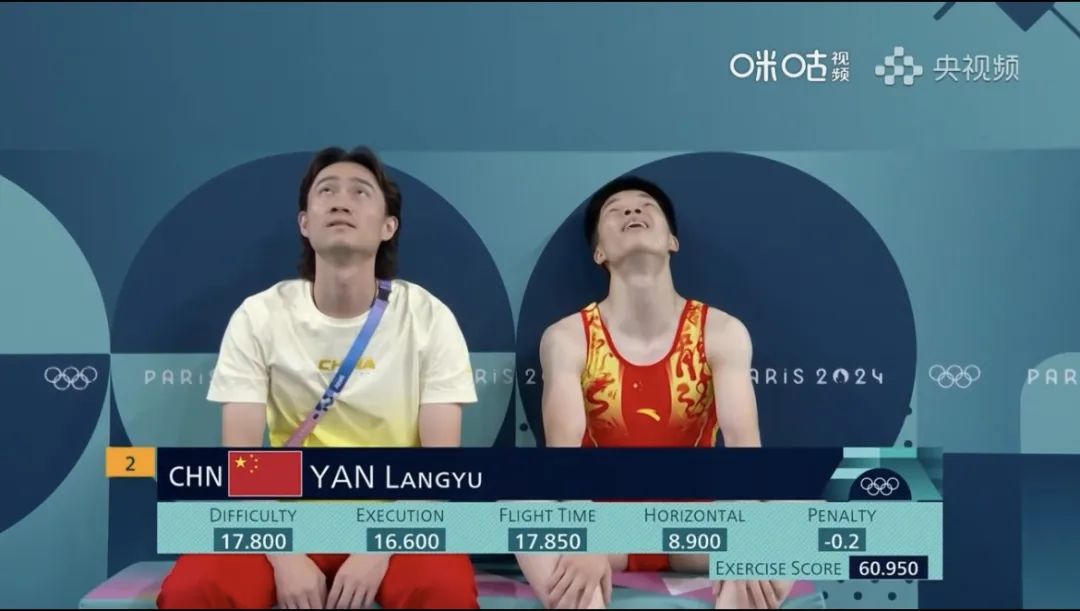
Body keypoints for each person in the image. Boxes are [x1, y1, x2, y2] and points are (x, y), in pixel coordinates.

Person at [157, 146, 480, 609]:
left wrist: (378, 548)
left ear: (388, 227)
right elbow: (242, 463)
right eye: (326, 191)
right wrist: (284, 554)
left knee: (442, 591)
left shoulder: (428, 317)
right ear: (305, 223)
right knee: (195, 590)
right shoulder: (260, 315)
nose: (341, 201)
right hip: (282, 518)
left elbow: (439, 470)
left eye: (360, 192)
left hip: (397, 519)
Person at [516, 176, 793, 609]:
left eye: (646, 206)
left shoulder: (722, 331)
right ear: (599, 252)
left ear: (672, 241)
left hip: (694, 526)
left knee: (790, 520)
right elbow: (562, 453)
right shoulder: (567, 338)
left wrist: (744, 538)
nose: (632, 211)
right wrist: (582, 533)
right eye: (616, 210)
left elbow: (744, 446)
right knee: (522, 514)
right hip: (605, 527)